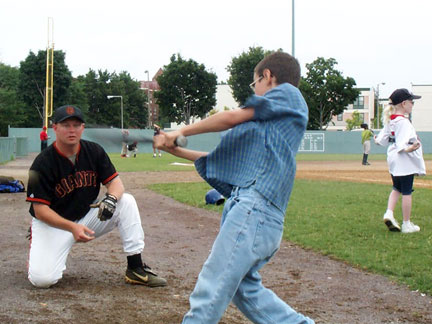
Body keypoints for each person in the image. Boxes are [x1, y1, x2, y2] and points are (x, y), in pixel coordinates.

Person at [154, 52, 314, 324]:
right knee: (244, 289)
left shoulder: (287, 94)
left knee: (213, 284)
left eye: (255, 84)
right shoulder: (270, 121)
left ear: (267, 76)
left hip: (255, 210)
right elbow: (223, 161)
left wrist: (178, 132)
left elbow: (230, 117)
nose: (256, 92)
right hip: (254, 213)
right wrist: (176, 150)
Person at [26, 105, 167, 288]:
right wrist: (72, 227)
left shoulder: (93, 151)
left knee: (126, 201)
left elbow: (116, 183)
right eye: (65, 125)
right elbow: (40, 210)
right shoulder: (43, 163)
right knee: (42, 280)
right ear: (55, 128)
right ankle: (39, 246)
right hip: (53, 225)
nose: (71, 130)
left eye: (76, 125)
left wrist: (111, 199)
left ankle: (135, 267)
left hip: (85, 218)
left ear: (82, 128)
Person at [375, 89, 425, 234]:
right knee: (407, 191)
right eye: (411, 102)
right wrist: (412, 148)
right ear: (404, 103)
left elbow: (382, 140)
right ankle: (406, 224)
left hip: (393, 160)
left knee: (396, 188)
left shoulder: (391, 120)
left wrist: (376, 140)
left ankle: (389, 213)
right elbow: (403, 145)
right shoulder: (404, 122)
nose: (412, 105)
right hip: (404, 161)